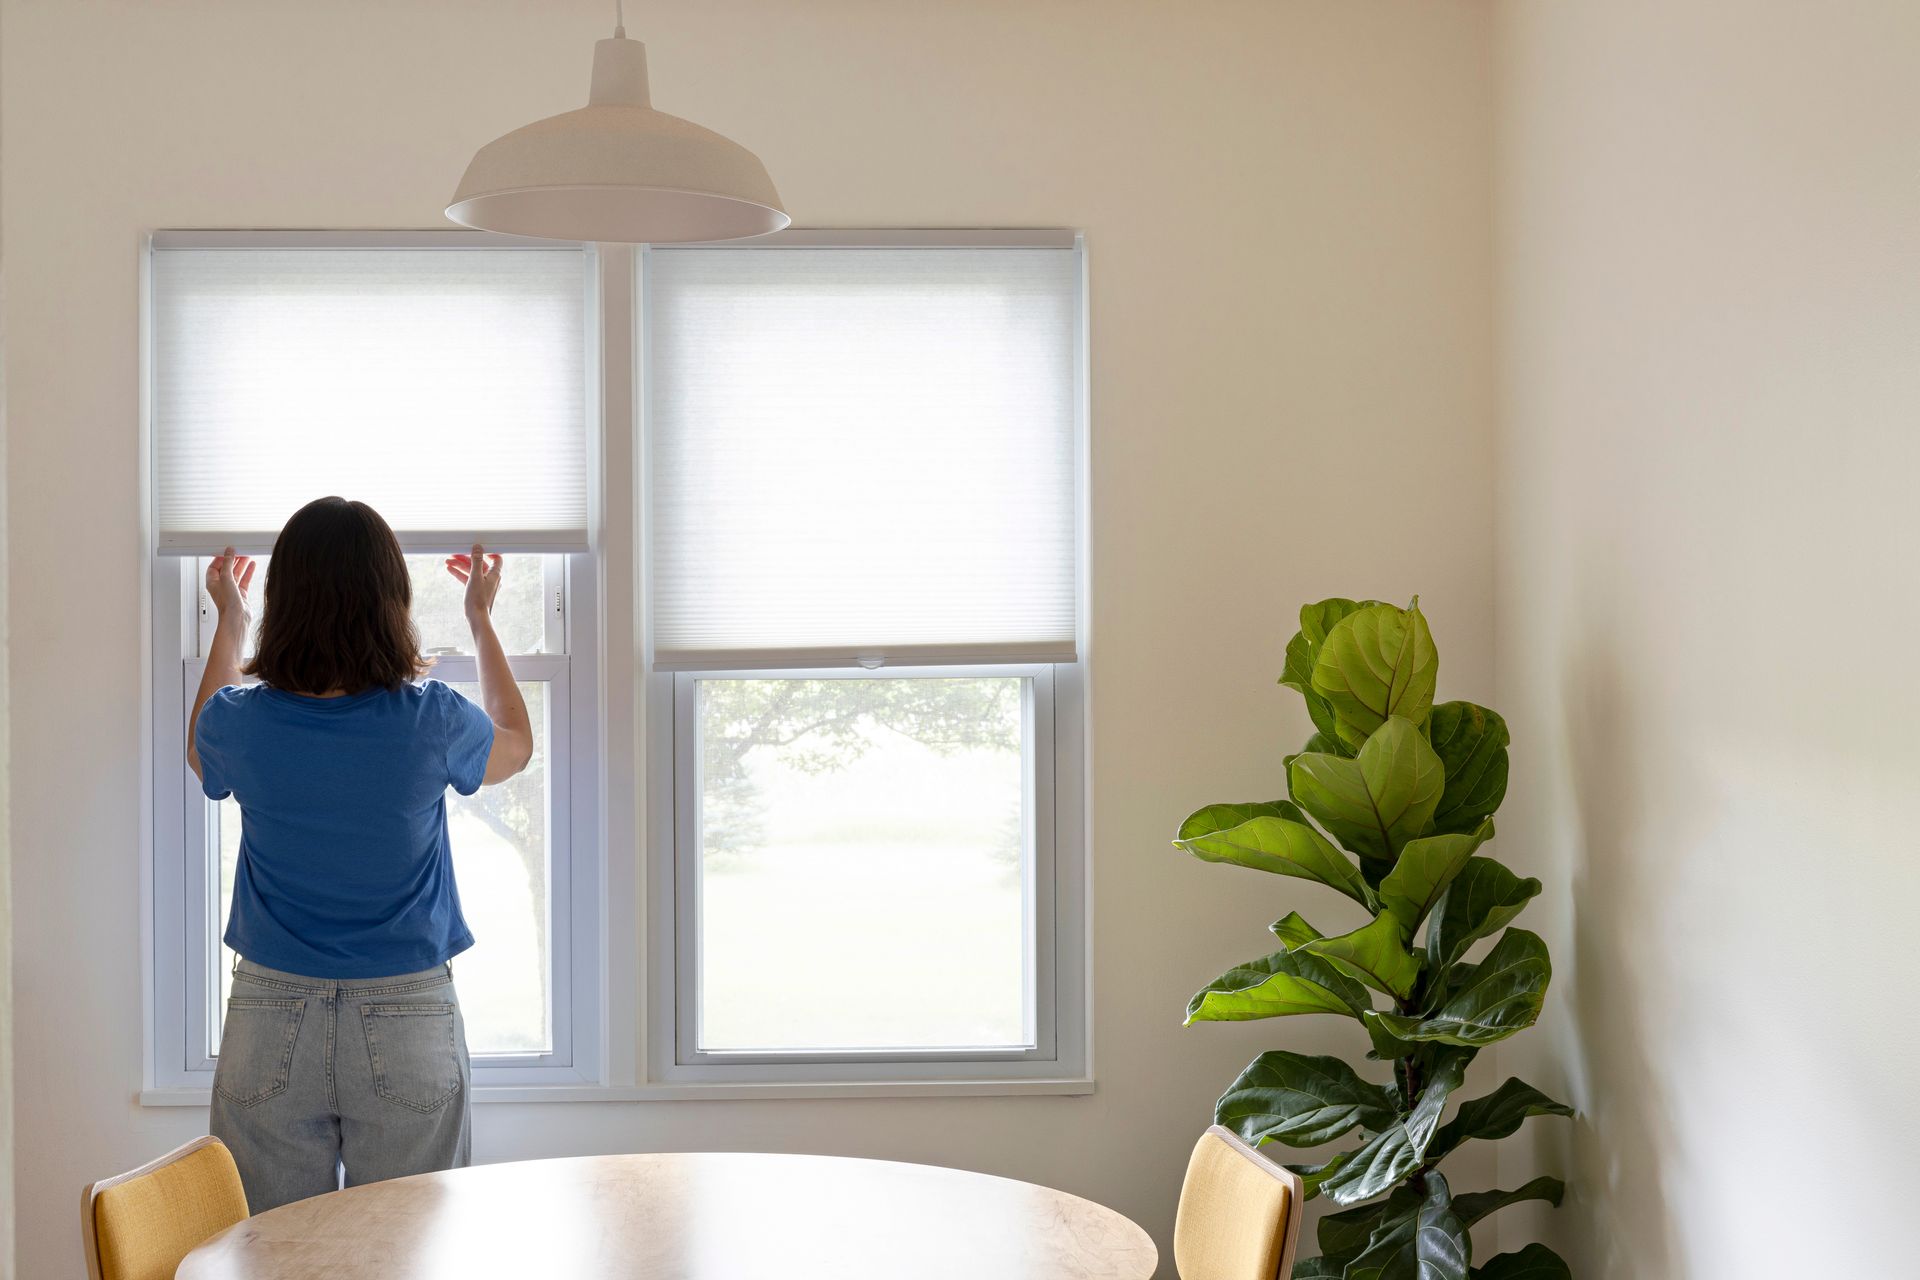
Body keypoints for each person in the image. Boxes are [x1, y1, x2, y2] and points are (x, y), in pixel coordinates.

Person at [186, 496, 532, 1212]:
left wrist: (231, 620)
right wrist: (480, 619)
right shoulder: (430, 717)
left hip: (270, 1013)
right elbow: (515, 745)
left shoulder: (241, 724)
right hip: (407, 1011)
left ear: (285, 599)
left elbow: (200, 743)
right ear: (391, 599)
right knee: (406, 1257)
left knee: (269, 1257)